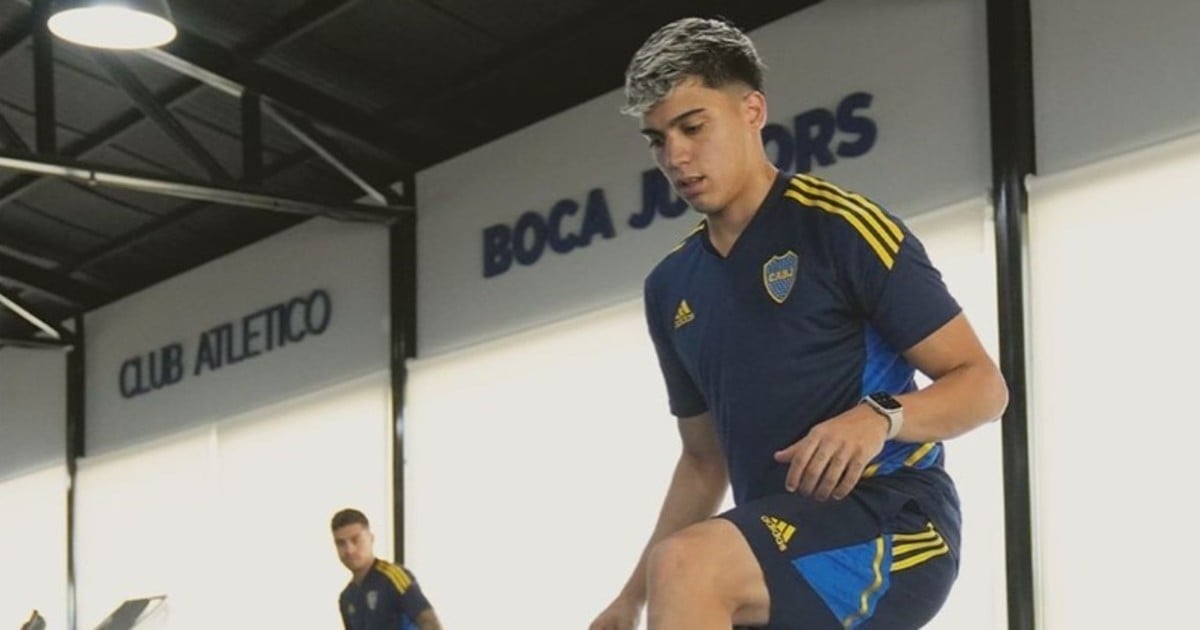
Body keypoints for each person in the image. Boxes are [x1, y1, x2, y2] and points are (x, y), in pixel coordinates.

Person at [590, 17, 1008, 630]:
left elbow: (983, 386)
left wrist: (880, 417)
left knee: (688, 565)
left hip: (895, 519)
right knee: (681, 566)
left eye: (693, 127)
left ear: (752, 111)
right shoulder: (670, 286)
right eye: (657, 139)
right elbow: (704, 461)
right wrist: (633, 597)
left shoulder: (841, 228)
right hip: (774, 543)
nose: (675, 156)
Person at [332, 508, 442, 630]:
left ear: (371, 538)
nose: (349, 550)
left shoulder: (393, 577)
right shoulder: (346, 597)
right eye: (341, 543)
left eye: (355, 540)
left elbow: (430, 623)